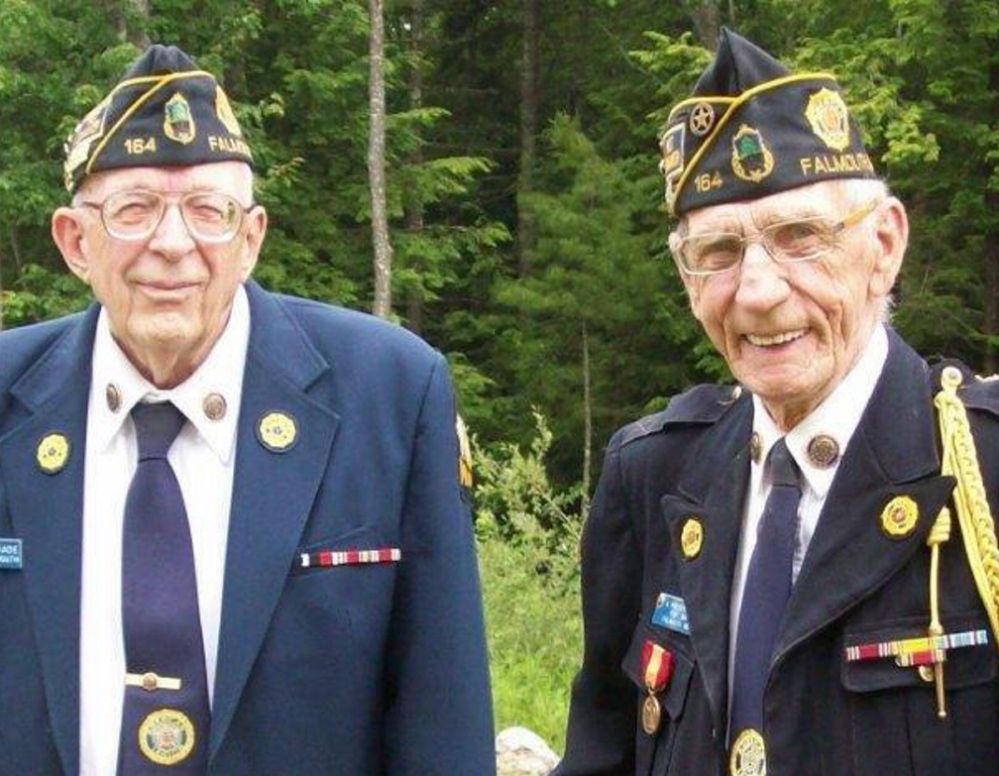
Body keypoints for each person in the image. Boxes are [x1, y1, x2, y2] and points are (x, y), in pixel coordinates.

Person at [0, 45, 494, 776]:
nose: (173, 245)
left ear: (251, 238)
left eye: (208, 211)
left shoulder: (388, 393)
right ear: (75, 241)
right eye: (134, 209)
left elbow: (442, 716)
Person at [554, 28, 999, 776]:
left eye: (799, 237)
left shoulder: (982, 466)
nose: (756, 291)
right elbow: (603, 750)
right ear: (686, 276)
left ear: (883, 246)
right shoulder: (656, 472)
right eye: (718, 252)